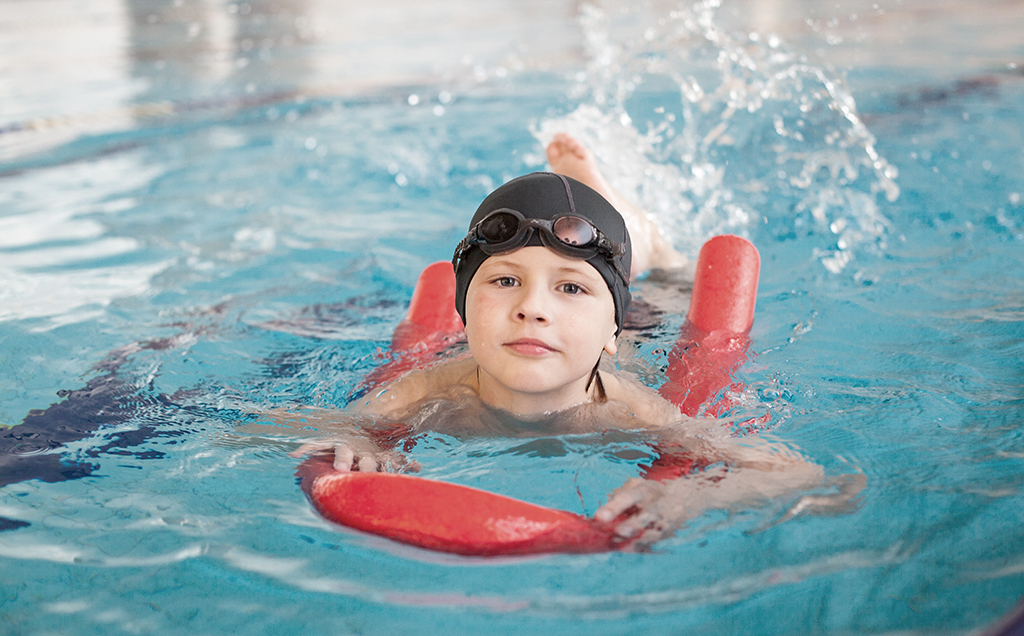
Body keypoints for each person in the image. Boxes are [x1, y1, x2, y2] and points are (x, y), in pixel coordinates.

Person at [252, 133, 862, 545]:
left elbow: (806, 476)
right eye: (506, 281)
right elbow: (266, 428)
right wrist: (349, 441)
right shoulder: (430, 391)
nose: (531, 310)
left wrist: (691, 500)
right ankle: (611, 231)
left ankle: (642, 236)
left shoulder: (631, 409)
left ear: (607, 332)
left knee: (667, 280)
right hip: (604, 325)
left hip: (639, 331)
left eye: (569, 289)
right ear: (462, 314)